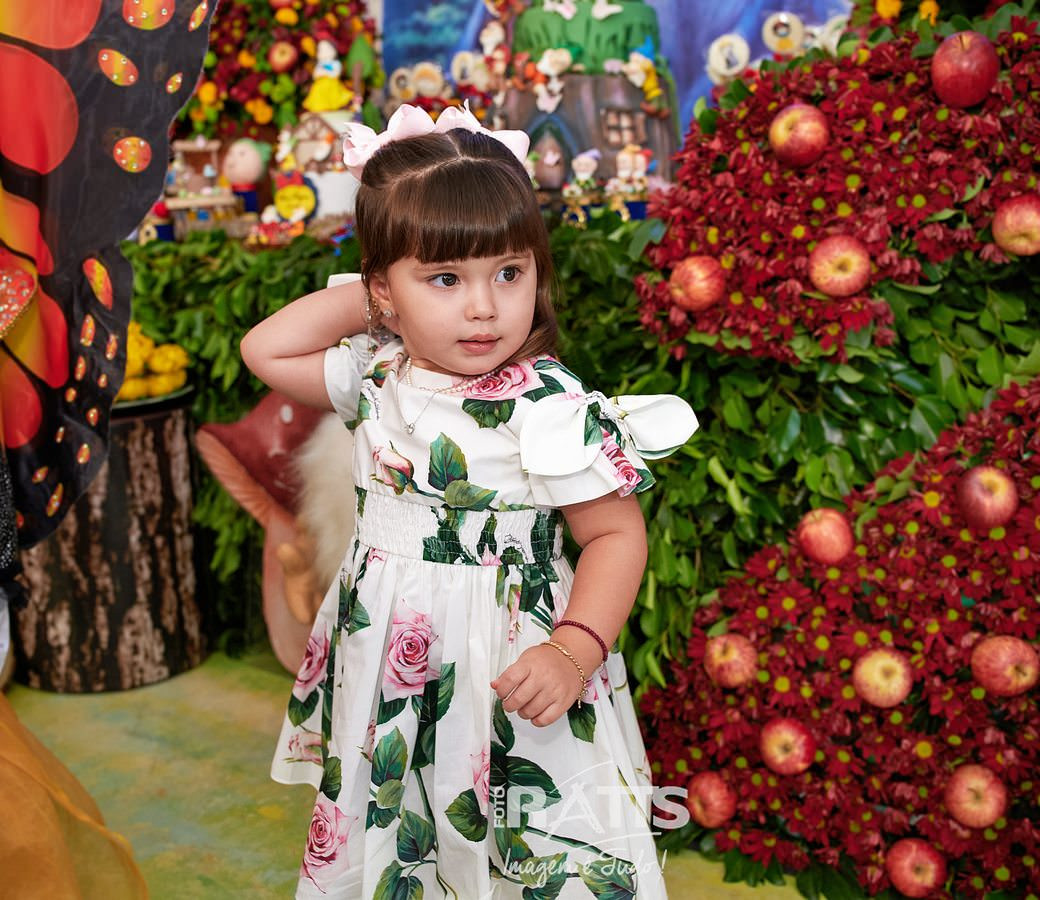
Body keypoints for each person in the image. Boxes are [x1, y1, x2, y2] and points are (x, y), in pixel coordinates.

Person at [240, 103, 698, 899]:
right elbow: (265, 349)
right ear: (383, 292)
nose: (484, 307)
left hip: (512, 666)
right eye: (445, 279)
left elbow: (615, 536)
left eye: (508, 273)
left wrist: (574, 650)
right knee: (402, 829)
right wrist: (382, 302)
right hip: (392, 663)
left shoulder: (545, 403)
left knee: (531, 845)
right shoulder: (376, 373)